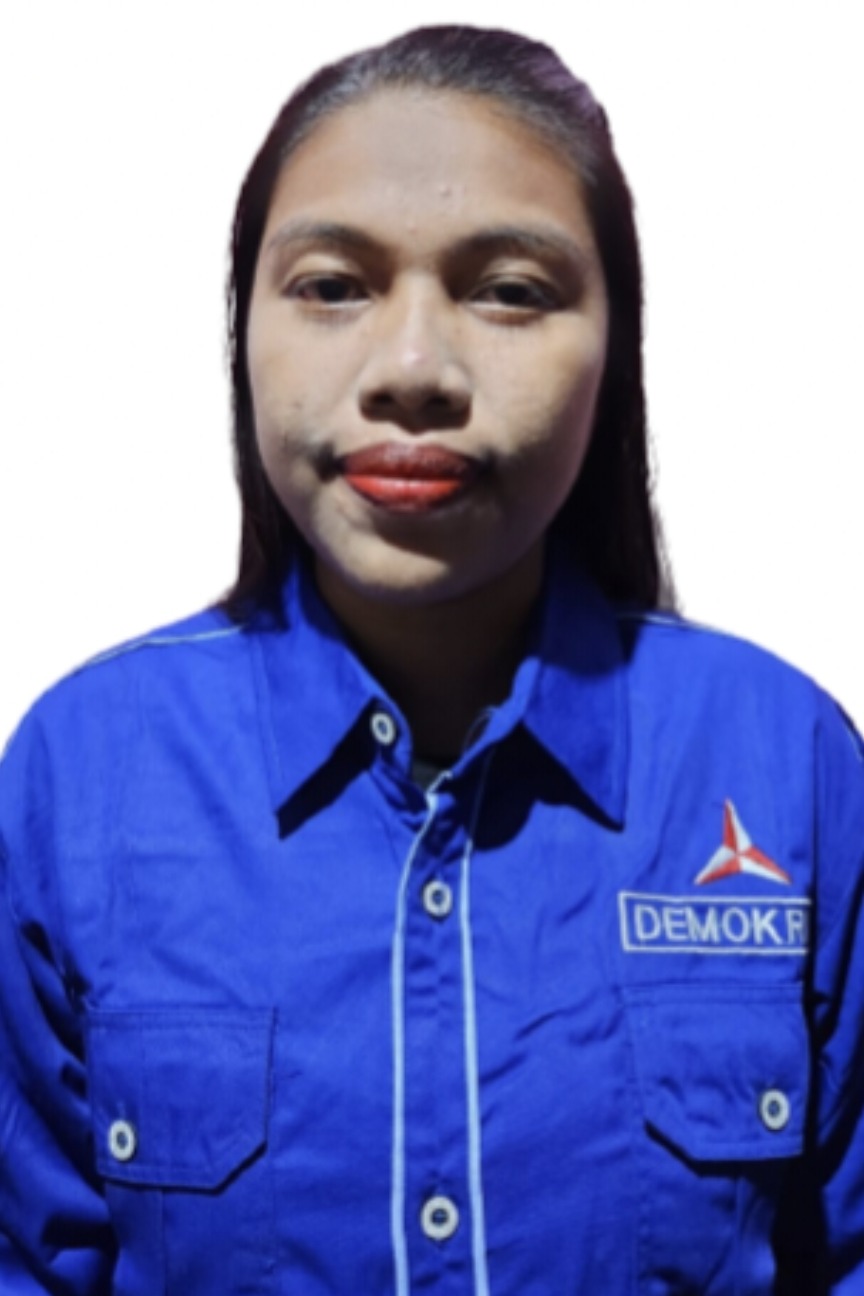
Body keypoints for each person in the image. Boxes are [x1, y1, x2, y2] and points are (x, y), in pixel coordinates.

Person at [1, 23, 862, 1295]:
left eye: (508, 289)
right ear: (242, 332)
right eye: (332, 286)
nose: (413, 371)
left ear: (615, 347)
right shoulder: (79, 773)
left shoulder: (785, 760)